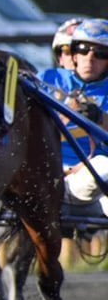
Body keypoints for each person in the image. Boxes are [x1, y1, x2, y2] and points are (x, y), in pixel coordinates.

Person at [40, 18, 108, 215]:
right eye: (83, 50)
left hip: (87, 180)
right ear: (74, 54)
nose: (90, 58)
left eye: (101, 53)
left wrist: (99, 118)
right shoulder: (47, 78)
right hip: (41, 171)